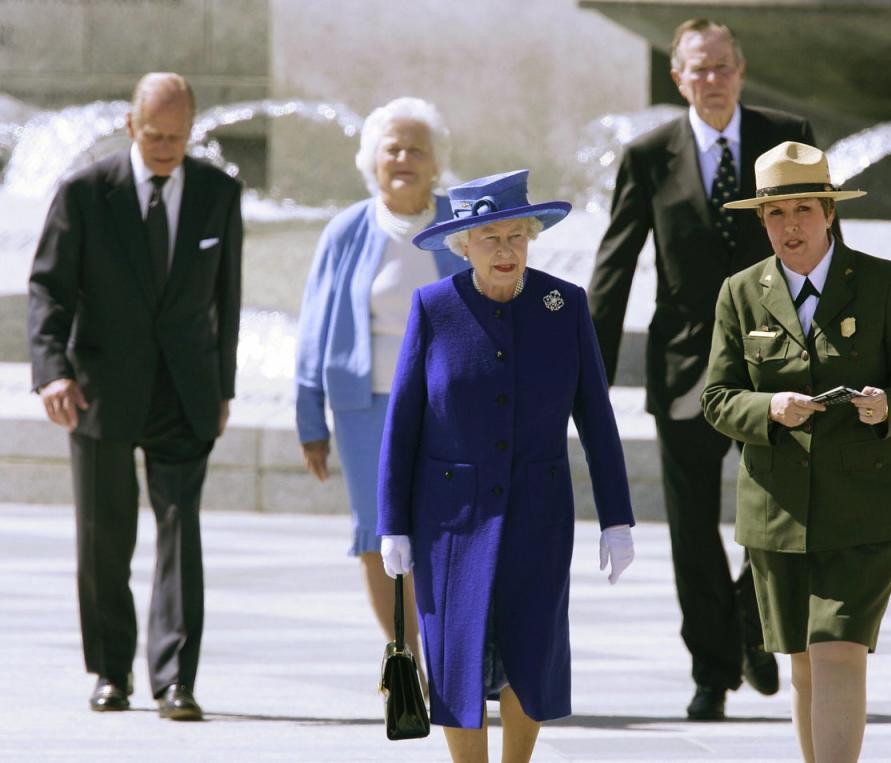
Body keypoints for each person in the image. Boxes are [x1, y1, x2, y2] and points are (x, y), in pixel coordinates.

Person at [587, 17, 822, 719]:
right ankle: (712, 669)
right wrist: (586, 374)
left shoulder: (789, 136)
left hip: (779, 361)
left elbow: (820, 233)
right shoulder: (648, 154)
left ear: (741, 70)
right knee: (691, 529)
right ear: (677, 77)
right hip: (686, 363)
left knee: (782, 514)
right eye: (699, 68)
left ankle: (750, 618)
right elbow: (615, 265)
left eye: (723, 67)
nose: (712, 80)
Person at [378, 169, 636, 763]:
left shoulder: (562, 305)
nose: (505, 250)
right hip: (449, 518)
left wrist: (616, 519)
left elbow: (596, 417)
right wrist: (391, 523)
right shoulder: (434, 307)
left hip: (539, 510)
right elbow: (404, 423)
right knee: (455, 652)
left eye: (515, 235)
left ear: (532, 237)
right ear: (462, 245)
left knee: (531, 645)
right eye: (489, 237)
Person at [702, 141, 891, 762]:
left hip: (868, 505)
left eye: (803, 210)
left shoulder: (884, 283)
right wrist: (769, 409)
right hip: (780, 510)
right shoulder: (739, 292)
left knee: (839, 649)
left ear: (829, 213)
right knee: (805, 661)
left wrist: (888, 407)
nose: (791, 226)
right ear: (760, 221)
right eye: (775, 214)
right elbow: (718, 398)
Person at [27, 72, 242, 720]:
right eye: (155, 135)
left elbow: (225, 298)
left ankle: (176, 679)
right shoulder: (87, 192)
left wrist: (224, 385)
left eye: (178, 137)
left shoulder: (218, 192)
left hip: (185, 391)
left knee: (181, 532)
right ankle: (112, 670)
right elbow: (49, 289)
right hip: (100, 390)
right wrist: (52, 370)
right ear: (130, 125)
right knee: (103, 536)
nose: (166, 147)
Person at [295, 97, 466, 672]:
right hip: (365, 407)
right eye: (392, 148)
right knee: (377, 533)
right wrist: (310, 420)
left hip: (448, 405)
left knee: (448, 530)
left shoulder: (460, 227)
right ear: (372, 159)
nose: (404, 158)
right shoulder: (347, 229)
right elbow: (315, 329)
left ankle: (450, 654)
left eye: (417, 148)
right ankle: (408, 659)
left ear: (436, 161)